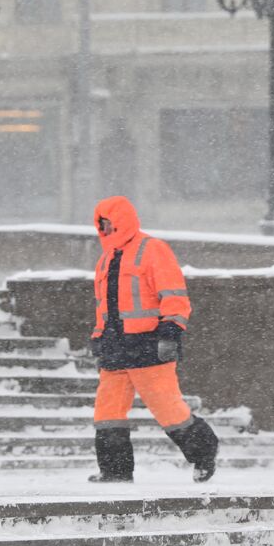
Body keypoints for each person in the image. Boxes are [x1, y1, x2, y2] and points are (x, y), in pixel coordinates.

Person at [89, 195, 219, 483]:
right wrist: (98, 338)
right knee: (107, 413)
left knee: (168, 409)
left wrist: (170, 332)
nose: (105, 230)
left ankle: (204, 453)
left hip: (147, 346)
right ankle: (115, 471)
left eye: (109, 224)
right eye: (101, 225)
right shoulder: (105, 260)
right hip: (114, 349)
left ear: (122, 222)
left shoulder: (152, 249)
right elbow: (105, 307)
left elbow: (174, 295)